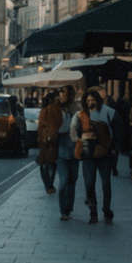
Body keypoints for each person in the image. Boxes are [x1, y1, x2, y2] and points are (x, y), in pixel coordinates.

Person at [70, 89, 119, 224]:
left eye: (93, 100)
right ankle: (93, 212)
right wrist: (82, 137)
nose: (91, 102)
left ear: (98, 100)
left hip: (104, 154)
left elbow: (117, 128)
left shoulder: (108, 111)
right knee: (89, 183)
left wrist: (114, 146)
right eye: (88, 101)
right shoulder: (80, 115)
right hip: (88, 155)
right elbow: (73, 133)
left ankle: (107, 211)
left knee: (105, 184)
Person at [54, 85, 81, 221]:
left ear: (70, 94)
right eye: (60, 92)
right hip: (61, 150)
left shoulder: (77, 108)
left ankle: (69, 208)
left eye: (63, 91)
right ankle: (63, 210)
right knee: (64, 180)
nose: (61, 94)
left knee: (73, 179)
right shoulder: (56, 108)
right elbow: (56, 128)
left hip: (75, 150)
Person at [35, 91, 62, 195]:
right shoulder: (54, 109)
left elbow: (40, 126)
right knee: (51, 161)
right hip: (52, 138)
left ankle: (48, 185)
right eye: (56, 99)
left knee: (44, 161)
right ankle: (49, 185)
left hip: (44, 139)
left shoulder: (43, 111)